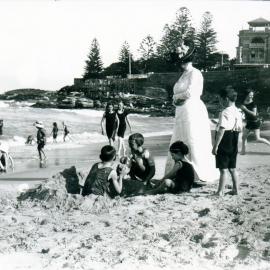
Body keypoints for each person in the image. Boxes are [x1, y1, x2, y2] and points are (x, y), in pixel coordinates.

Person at [166, 44, 218, 182]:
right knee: (181, 137)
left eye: (183, 61)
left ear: (188, 60)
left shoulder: (195, 73)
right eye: (180, 62)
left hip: (192, 109)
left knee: (193, 138)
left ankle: (197, 174)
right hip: (181, 110)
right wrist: (174, 101)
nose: (181, 64)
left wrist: (177, 98)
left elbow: (191, 92)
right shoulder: (183, 75)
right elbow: (176, 93)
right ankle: (181, 172)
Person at [212, 87, 242, 196]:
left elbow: (222, 130)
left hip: (225, 141)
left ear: (225, 99)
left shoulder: (224, 112)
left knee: (223, 169)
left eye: (220, 99)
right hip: (234, 139)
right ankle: (236, 190)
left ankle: (220, 191)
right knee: (232, 168)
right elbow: (239, 128)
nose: (220, 101)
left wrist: (215, 146)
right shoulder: (238, 111)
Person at [240, 89, 270, 154]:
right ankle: (243, 151)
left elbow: (254, 114)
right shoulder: (243, 101)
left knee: (258, 138)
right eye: (250, 95)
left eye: (252, 95)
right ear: (246, 95)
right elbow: (243, 111)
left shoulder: (253, 104)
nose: (251, 96)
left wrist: (245, 109)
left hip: (255, 122)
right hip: (249, 122)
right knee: (243, 137)